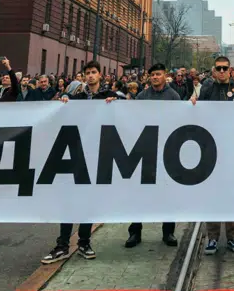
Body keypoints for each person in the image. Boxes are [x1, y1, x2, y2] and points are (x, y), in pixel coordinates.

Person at [41, 62, 115, 265]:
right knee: (69, 199)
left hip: (96, 154)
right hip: (75, 154)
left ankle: (84, 242)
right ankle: (63, 244)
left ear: (100, 75)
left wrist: (115, 103)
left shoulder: (108, 97)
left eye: (93, 73)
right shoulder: (77, 98)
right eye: (87, 73)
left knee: (88, 201)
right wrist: (64, 100)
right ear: (83, 77)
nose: (90, 76)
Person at [192, 55, 234, 256]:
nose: (222, 71)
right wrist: (192, 103)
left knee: (231, 193)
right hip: (211, 150)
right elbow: (197, 114)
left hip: (232, 148)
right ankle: (212, 237)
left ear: (230, 70)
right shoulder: (206, 90)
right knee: (213, 194)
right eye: (219, 68)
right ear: (214, 70)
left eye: (225, 68)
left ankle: (232, 235)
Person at [126, 64, 178, 249]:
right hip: (145, 149)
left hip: (166, 150)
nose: (155, 77)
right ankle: (135, 231)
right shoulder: (142, 96)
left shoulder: (174, 96)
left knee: (167, 193)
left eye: (158, 74)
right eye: (152, 75)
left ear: (165, 76)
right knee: (140, 192)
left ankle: (168, 231)